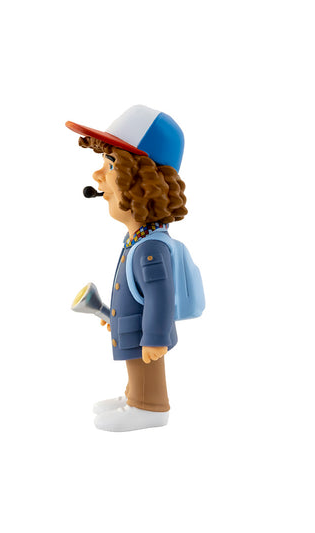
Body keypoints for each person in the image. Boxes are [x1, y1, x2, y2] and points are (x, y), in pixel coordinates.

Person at [66, 105, 188, 431]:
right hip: (138, 330)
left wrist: (155, 338)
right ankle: (134, 397)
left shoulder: (150, 248)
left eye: (109, 165)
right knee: (135, 367)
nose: (98, 175)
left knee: (145, 365)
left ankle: (150, 408)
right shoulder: (138, 240)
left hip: (149, 336)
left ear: (142, 182)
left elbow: (160, 297)